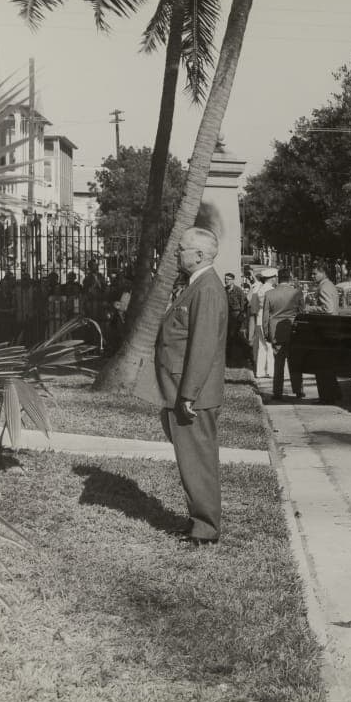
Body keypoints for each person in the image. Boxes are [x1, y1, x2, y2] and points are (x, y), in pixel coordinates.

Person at [153, 227, 227, 546]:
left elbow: (202, 345)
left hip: (193, 394)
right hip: (185, 390)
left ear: (199, 255)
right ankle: (199, 522)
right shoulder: (198, 285)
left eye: (181, 249)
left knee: (198, 460)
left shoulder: (207, 289)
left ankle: (205, 529)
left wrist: (188, 395)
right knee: (192, 459)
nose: (175, 253)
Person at [261, 268, 305, 400]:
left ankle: (277, 392)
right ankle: (298, 390)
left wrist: (267, 333)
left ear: (278, 278)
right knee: (295, 362)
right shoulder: (297, 293)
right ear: (290, 278)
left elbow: (265, 317)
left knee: (278, 364)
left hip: (276, 332)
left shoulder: (269, 294)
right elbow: (302, 313)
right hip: (293, 330)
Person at [311, 263, 344, 403]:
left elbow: (328, 309)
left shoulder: (324, 287)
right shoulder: (330, 285)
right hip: (332, 329)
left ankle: (326, 396)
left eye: (314, 274)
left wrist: (310, 308)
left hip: (325, 330)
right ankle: (334, 393)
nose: (312, 276)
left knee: (322, 365)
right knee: (329, 366)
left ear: (323, 272)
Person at [251, 268, 277, 377]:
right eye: (275, 277)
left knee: (262, 347)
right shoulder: (271, 290)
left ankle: (260, 371)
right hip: (268, 319)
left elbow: (255, 305)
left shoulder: (260, 289)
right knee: (270, 346)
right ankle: (270, 371)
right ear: (272, 278)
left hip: (259, 319)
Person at [223, 272, 249, 367]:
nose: (226, 281)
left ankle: (245, 353)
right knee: (228, 337)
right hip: (227, 315)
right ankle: (229, 357)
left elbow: (243, 304)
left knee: (235, 336)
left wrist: (241, 318)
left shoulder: (238, 291)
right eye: (225, 279)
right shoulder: (224, 290)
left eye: (228, 279)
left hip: (236, 315)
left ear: (233, 280)